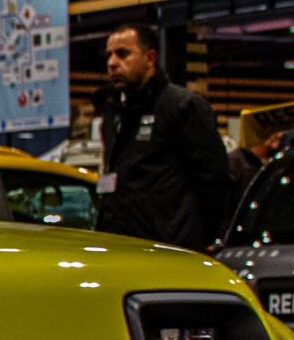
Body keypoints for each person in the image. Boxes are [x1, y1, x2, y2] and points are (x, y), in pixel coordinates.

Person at [92, 24, 230, 250]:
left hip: (169, 248)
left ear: (150, 58)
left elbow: (214, 180)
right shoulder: (113, 114)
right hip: (120, 247)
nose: (112, 63)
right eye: (109, 55)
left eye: (123, 54)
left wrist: (197, 239)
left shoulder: (182, 107)